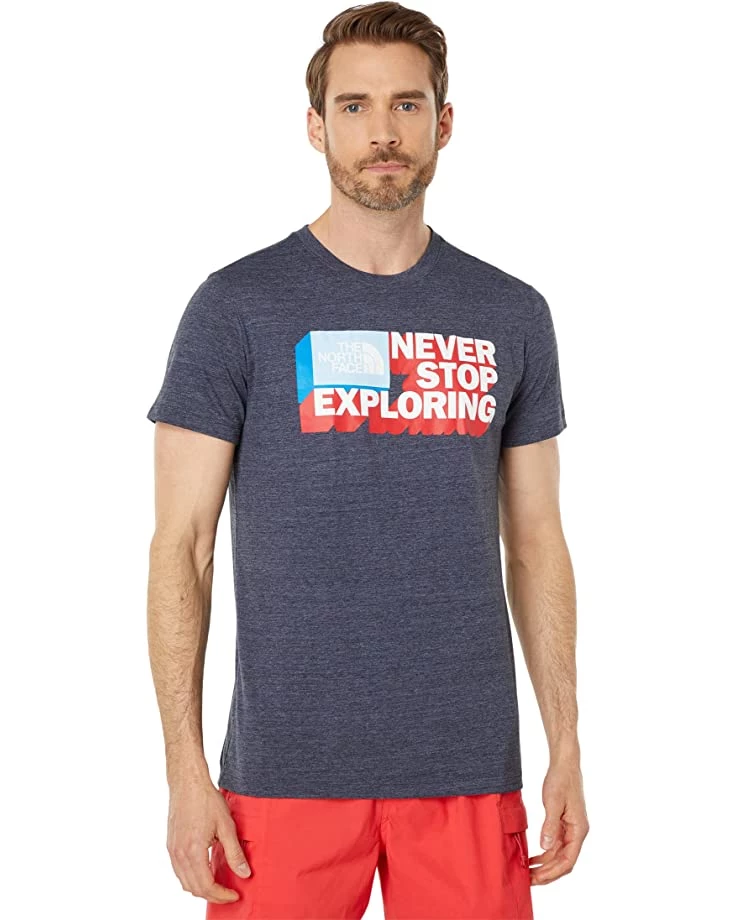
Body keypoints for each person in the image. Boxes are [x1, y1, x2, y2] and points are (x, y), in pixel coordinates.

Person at [146, 2, 589, 917]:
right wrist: (185, 771)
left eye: (406, 105)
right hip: (284, 775)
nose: (382, 132)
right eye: (354, 106)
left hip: (469, 770)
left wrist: (568, 747)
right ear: (316, 127)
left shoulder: (511, 313)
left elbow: (538, 542)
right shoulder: (236, 308)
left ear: (444, 122)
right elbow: (181, 546)